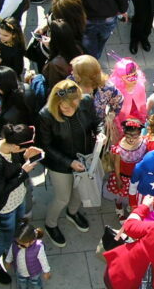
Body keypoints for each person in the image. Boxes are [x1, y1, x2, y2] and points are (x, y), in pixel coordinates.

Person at [38, 79, 102, 248]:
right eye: (65, 107)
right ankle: (50, 223)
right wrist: (69, 162)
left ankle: (72, 213)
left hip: (84, 157)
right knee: (62, 197)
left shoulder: (86, 101)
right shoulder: (46, 115)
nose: (71, 110)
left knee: (80, 192)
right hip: (59, 163)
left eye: (75, 106)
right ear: (56, 103)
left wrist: (100, 132)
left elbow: (97, 121)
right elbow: (45, 146)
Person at [0, 123, 42, 284]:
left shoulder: (8, 147)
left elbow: (14, 168)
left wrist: (26, 157)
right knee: (4, 240)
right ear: (15, 146)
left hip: (18, 199)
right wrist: (24, 172)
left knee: (17, 230)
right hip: (5, 208)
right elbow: (1, 190)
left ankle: (8, 253)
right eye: (22, 149)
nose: (21, 152)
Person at [69, 55, 123, 130]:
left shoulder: (107, 87)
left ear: (85, 77)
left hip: (98, 125)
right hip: (77, 124)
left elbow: (119, 99)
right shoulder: (70, 82)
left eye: (75, 72)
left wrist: (112, 114)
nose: (72, 73)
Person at [4, 220, 52, 288]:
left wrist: (46, 271)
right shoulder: (16, 243)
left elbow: (43, 260)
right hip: (20, 271)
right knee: (22, 282)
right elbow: (11, 252)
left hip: (34, 272)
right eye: (17, 243)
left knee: (35, 282)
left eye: (22, 245)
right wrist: (8, 261)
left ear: (32, 241)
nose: (18, 246)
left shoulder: (38, 247)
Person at [42, 19, 83, 90]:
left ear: (54, 39)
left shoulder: (55, 64)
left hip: (65, 92)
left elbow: (54, 88)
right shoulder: (79, 48)